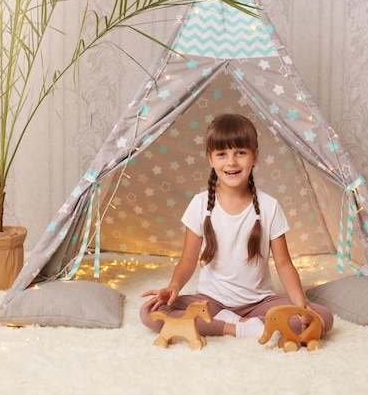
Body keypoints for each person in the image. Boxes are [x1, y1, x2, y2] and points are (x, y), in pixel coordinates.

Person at [140, 113, 333, 340]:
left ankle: (250, 322)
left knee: (323, 318)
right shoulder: (200, 204)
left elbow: (283, 263)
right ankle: (237, 328)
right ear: (211, 159)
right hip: (212, 302)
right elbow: (188, 260)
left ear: (255, 156)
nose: (231, 162)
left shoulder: (269, 206)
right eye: (222, 154)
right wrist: (173, 287)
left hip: (259, 302)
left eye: (240, 153)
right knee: (149, 313)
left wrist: (301, 305)